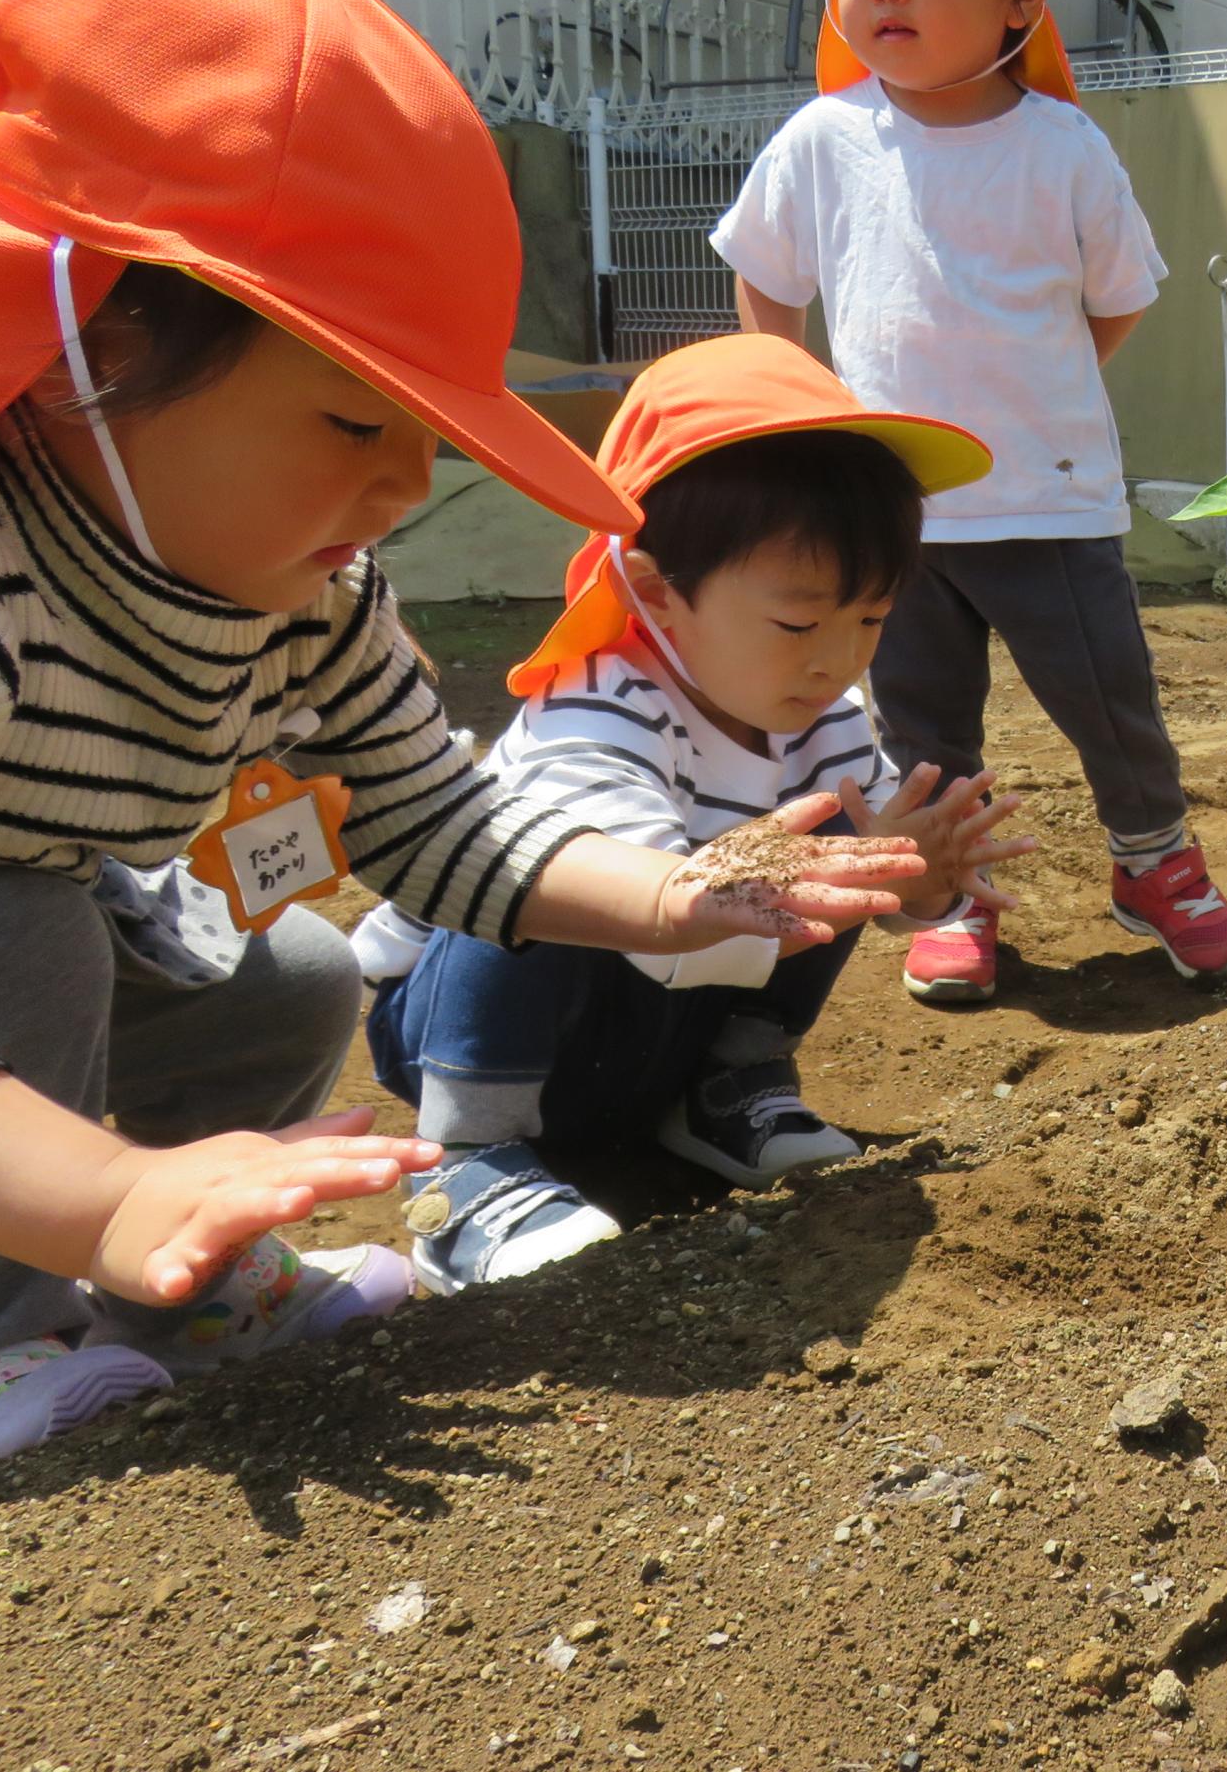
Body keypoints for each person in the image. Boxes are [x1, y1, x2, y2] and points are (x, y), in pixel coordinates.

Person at [0, 0, 918, 1452]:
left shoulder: (314, 596)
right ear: (94, 345)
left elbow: (439, 819)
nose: (409, 484)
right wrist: (98, 1189)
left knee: (284, 972)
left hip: (73, 898)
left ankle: (181, 1285)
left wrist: (673, 899)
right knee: (30, 935)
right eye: (359, 423)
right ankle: (20, 1321)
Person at [359, 336, 1033, 1289]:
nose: (835, 660)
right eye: (798, 621)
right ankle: (470, 1164)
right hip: (472, 1027)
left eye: (870, 619)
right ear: (655, 592)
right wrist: (803, 878)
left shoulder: (823, 718)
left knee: (846, 843)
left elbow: (858, 883)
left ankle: (729, 1087)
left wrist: (916, 880)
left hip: (649, 1030)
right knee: (541, 863)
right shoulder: (597, 708)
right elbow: (644, 918)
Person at [714, 0, 1227, 1001]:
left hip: (1046, 502)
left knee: (1109, 702)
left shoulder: (1061, 148)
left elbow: (1115, 302)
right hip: (893, 512)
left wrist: (1041, 388)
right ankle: (952, 893)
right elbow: (764, 272)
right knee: (919, 726)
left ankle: (1154, 861)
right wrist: (797, 403)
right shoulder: (823, 141)